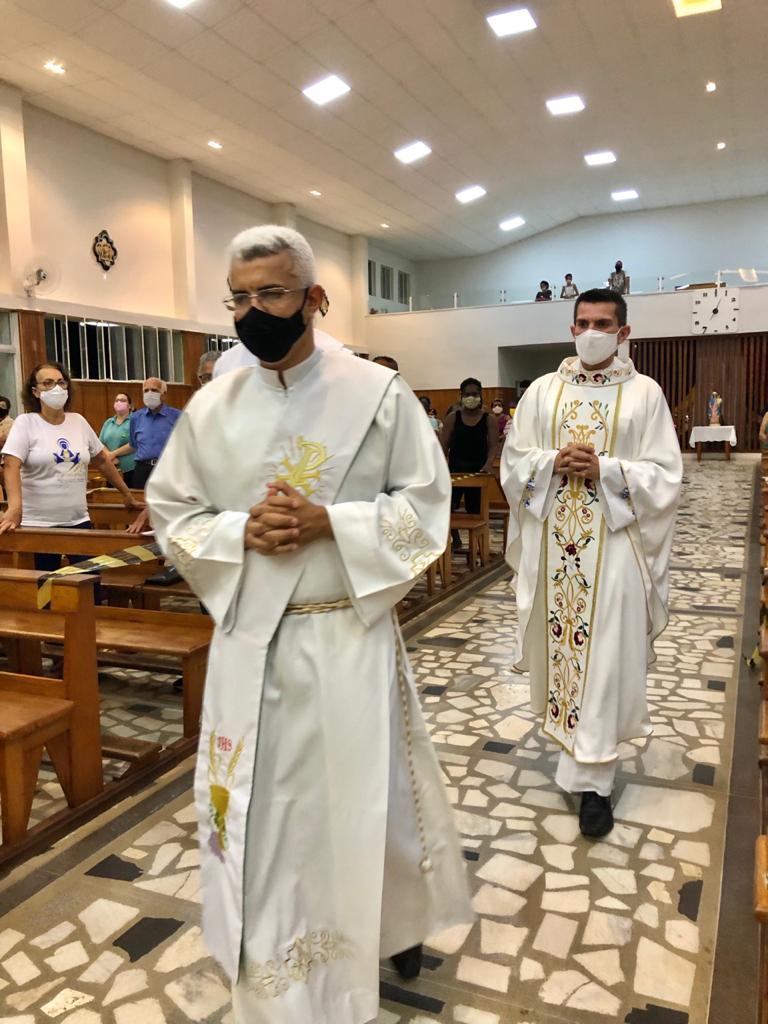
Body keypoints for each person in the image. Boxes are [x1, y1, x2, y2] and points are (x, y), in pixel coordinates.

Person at [145, 224, 472, 1024]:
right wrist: (238, 534)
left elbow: (427, 507)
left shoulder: (378, 394)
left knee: (365, 802)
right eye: (240, 298)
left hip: (344, 635)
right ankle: (276, 957)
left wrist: (334, 523)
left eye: (272, 293)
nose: (254, 311)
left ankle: (390, 923)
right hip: (251, 643)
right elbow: (174, 512)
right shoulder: (212, 407)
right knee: (266, 811)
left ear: (314, 298)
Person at [501, 288, 682, 838]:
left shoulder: (645, 394)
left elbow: (666, 477)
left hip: (617, 550)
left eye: (603, 324)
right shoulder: (542, 390)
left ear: (624, 333)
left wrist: (607, 469)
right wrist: (551, 461)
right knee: (564, 656)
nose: (591, 332)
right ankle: (575, 758)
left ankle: (595, 782)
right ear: (571, 328)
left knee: (602, 661)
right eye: (583, 323)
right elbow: (514, 460)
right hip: (555, 550)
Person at [0, 363, 142, 558]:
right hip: (38, 523)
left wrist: (126, 494)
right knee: (45, 577)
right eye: (48, 383)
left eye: (61, 382)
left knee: (88, 575)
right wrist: (15, 507)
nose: (56, 388)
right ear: (35, 391)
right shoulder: (26, 423)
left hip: (78, 520)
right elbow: (11, 465)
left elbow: (102, 461)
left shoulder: (78, 421)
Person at [441, 378, 499, 551]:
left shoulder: (489, 419)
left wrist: (488, 463)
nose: (471, 398)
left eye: (474, 394)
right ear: (461, 396)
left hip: (478, 472)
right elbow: (443, 445)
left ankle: (479, 547)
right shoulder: (453, 418)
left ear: (480, 395)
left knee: (475, 510)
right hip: (455, 472)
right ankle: (456, 539)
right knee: (449, 507)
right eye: (467, 394)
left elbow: (493, 445)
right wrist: (441, 466)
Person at [108, 377, 181, 489]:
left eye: (154, 390)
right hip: (142, 470)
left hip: (167, 468)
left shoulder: (177, 416)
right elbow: (134, 444)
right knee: (140, 499)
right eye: (146, 391)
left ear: (164, 394)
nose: (149, 393)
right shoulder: (136, 418)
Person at [99, 392, 136, 487]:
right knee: (112, 494)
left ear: (130, 406)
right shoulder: (108, 422)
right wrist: (110, 456)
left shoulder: (135, 421)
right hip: (111, 468)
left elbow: (135, 443)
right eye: (117, 400)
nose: (119, 402)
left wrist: (113, 454)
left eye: (123, 400)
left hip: (130, 469)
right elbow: (100, 443)